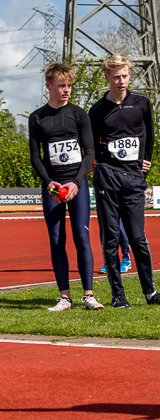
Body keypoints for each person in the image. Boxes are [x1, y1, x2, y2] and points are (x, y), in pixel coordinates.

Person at [89, 55, 160, 309]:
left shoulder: (141, 103)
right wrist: (97, 168)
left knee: (138, 237)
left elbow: (149, 135)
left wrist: (147, 160)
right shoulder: (97, 111)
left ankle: (151, 294)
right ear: (107, 77)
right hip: (107, 178)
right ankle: (118, 295)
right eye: (116, 76)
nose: (121, 81)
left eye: (125, 76)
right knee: (111, 237)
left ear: (130, 76)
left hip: (134, 180)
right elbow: (91, 146)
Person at [28, 63, 104, 311]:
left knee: (82, 236)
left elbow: (90, 151)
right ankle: (64, 297)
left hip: (77, 185)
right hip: (52, 188)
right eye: (61, 85)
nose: (66, 90)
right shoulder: (37, 117)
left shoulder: (79, 114)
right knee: (56, 238)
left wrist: (76, 182)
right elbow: (35, 156)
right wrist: (49, 182)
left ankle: (89, 295)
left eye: (69, 85)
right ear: (48, 85)